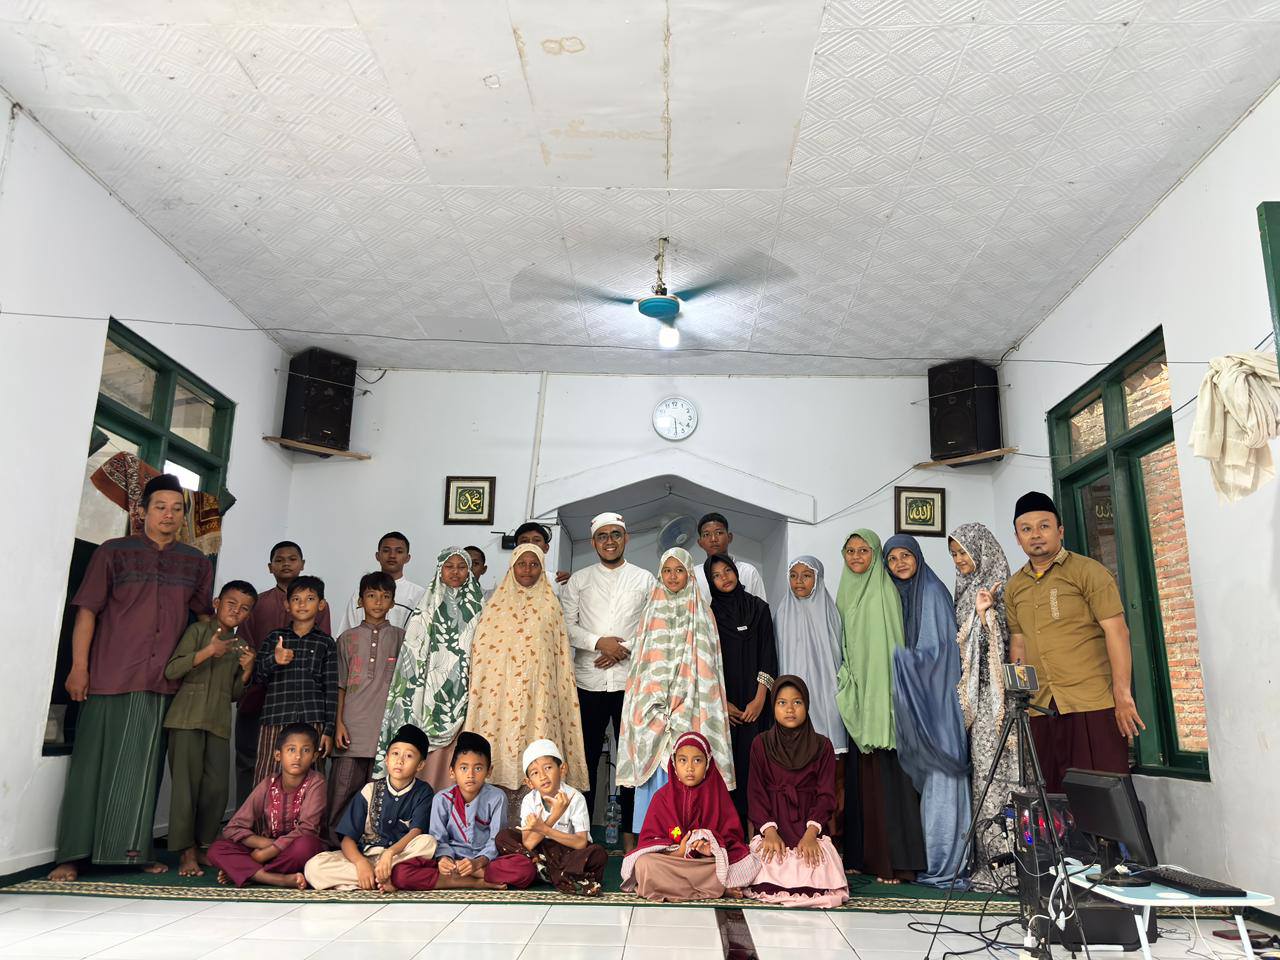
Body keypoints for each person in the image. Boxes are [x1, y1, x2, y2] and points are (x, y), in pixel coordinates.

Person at [49, 473, 213, 882]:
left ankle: (131, 853)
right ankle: (72, 855)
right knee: (90, 765)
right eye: (160, 507)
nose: (168, 515)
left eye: (176, 509)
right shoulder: (113, 552)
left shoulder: (195, 563)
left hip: (161, 680)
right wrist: (79, 667)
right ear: (142, 512)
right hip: (108, 673)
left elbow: (203, 618)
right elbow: (87, 610)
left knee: (142, 771)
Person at [1007, 492, 1142, 793]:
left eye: (1044, 526)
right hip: (1042, 707)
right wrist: (1022, 701)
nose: (1035, 535)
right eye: (1026, 529)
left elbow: (1117, 632)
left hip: (1092, 702)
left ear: (1060, 531)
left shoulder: (1088, 572)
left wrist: (1122, 696)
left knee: (1105, 797)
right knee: (1055, 798)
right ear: (1017, 538)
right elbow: (1019, 643)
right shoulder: (1014, 587)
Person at [617, 547, 734, 836]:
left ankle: (692, 837)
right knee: (654, 771)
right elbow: (642, 665)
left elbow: (708, 666)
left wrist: (684, 701)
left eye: (679, 570)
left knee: (689, 762)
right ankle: (654, 837)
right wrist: (653, 703)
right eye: (667, 571)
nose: (672, 576)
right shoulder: (650, 611)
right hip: (653, 707)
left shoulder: (702, 612)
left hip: (691, 703)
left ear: (689, 574)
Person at [560, 511, 655, 849]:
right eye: (603, 536)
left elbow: (654, 625)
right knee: (585, 760)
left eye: (616, 534)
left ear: (626, 538)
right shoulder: (579, 580)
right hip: (588, 682)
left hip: (631, 683)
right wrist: (599, 643)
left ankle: (630, 836)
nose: (610, 541)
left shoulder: (645, 579)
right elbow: (566, 626)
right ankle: (582, 834)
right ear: (594, 542)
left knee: (632, 759)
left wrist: (622, 649)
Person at [835, 529, 925, 884]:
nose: (856, 557)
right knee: (862, 782)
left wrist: (883, 701)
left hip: (883, 702)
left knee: (889, 781)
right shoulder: (846, 591)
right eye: (850, 550)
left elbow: (891, 651)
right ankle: (864, 857)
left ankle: (896, 863)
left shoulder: (883, 591)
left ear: (874, 554)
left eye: (864, 550)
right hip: (857, 698)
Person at [464, 544, 589, 797]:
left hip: (539, 695)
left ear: (542, 568)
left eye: (534, 564)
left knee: (538, 745)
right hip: (500, 698)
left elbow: (560, 657)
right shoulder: (494, 607)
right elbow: (482, 656)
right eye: (522, 563)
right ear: (512, 566)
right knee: (498, 745)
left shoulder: (551, 606)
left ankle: (539, 809)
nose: (527, 569)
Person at [884, 534, 971, 889]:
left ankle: (944, 863)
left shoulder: (931, 592)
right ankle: (931, 858)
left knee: (942, 777)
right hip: (917, 701)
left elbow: (939, 653)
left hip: (937, 702)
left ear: (918, 557)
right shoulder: (897, 595)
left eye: (906, 555)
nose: (900, 563)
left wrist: (899, 662)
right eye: (892, 559)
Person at [163, 580, 258, 877]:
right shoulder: (197, 631)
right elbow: (172, 670)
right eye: (231, 603)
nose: (236, 611)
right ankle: (186, 850)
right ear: (217, 602)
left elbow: (234, 694)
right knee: (185, 789)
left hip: (218, 722)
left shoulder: (242, 646)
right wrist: (208, 651)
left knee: (217, 789)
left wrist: (247, 671)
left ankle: (204, 844)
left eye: (244, 608)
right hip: (186, 719)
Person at [949, 522, 1020, 890]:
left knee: (1003, 779)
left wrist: (985, 616)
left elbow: (1006, 643)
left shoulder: (1001, 587)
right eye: (955, 554)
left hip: (999, 703)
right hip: (974, 703)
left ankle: (1010, 866)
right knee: (982, 780)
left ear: (981, 550)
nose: (959, 560)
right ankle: (988, 861)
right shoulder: (963, 590)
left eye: (964, 552)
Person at [376, 547, 483, 790]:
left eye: (461, 567)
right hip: (425, 692)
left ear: (469, 571)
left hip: (463, 690)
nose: (455, 572)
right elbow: (412, 651)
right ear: (439, 570)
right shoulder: (426, 605)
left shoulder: (480, 608)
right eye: (449, 566)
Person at [234, 540, 331, 805]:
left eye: (292, 559)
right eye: (279, 560)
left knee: (304, 762)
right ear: (270, 567)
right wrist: (263, 664)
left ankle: (300, 820)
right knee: (255, 758)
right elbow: (244, 644)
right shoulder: (259, 603)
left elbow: (323, 652)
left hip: (304, 699)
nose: (286, 564)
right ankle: (249, 814)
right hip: (263, 693)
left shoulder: (319, 605)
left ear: (302, 564)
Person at [745, 677, 849, 908]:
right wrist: (769, 832)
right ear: (773, 707)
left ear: (807, 705)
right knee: (767, 867)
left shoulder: (822, 746)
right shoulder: (761, 744)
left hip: (808, 826)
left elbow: (826, 796)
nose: (790, 709)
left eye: (797, 702)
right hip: (774, 825)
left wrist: (811, 834)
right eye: (782, 703)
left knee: (816, 870)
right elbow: (756, 793)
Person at [389, 732, 536, 890]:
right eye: (464, 768)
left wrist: (477, 863)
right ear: (452, 772)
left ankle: (467, 876)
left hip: (485, 862)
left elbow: (496, 839)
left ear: (489, 771)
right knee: (400, 873)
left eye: (478, 768)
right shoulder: (442, 799)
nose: (470, 775)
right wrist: (444, 859)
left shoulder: (497, 797)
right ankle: (476, 881)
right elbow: (438, 838)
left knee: (526, 870)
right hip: (452, 862)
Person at [622, 731, 759, 901]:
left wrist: (710, 847)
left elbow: (733, 838)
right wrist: (679, 852)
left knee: (747, 863)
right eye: (683, 760)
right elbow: (649, 840)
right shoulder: (662, 797)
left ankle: (691, 887)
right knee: (644, 865)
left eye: (697, 760)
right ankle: (717, 888)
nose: (690, 768)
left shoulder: (718, 795)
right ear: (674, 763)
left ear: (707, 764)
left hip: (705, 863)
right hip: (673, 861)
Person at [303, 723, 437, 892]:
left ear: (420, 765)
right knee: (313, 867)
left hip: (398, 858)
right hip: (366, 856)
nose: (400, 760)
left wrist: (389, 853)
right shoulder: (369, 790)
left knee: (428, 842)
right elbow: (347, 839)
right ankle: (381, 878)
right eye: (395, 753)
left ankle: (368, 880)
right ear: (386, 759)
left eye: (409, 756)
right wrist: (361, 863)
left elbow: (416, 832)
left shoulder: (423, 792)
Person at [327, 572, 405, 845]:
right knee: (342, 791)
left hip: (386, 732)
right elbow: (340, 686)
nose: (378, 602)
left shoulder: (402, 638)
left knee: (379, 796)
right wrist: (338, 723)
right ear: (360, 601)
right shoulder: (346, 639)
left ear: (393, 602)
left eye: (385, 596)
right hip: (351, 729)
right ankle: (334, 845)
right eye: (371, 595)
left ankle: (371, 846)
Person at [704, 554, 778, 830]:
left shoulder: (759, 608)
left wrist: (760, 699)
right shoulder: (708, 615)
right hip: (724, 706)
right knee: (727, 768)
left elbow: (768, 655)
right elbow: (707, 663)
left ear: (736, 572)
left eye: (728, 571)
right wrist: (723, 703)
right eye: (716, 575)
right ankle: (731, 835)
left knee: (757, 767)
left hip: (757, 703)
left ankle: (758, 832)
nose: (724, 578)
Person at [206, 723, 328, 888]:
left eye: (305, 750)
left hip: (295, 852)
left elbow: (308, 829)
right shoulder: (268, 784)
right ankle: (276, 878)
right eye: (291, 749)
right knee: (217, 849)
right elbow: (233, 827)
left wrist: (265, 854)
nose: (298, 756)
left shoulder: (316, 782)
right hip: (268, 850)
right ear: (278, 755)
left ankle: (246, 872)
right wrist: (265, 844)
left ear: (314, 756)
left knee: (306, 846)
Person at [493, 739, 608, 896]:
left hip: (568, 853)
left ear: (562, 769)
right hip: (539, 851)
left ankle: (544, 870)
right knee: (503, 837)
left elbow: (581, 843)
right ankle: (561, 876)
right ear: (529, 782)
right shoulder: (529, 800)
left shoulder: (575, 798)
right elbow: (528, 843)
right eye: (535, 773)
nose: (542, 776)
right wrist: (554, 817)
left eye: (548, 768)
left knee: (598, 854)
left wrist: (544, 829)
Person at [251, 576, 337, 784]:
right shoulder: (275, 638)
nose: (302, 604)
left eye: (310, 599)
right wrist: (274, 659)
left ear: (321, 605)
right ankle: (265, 808)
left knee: (311, 778)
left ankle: (308, 809)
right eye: (296, 599)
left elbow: (331, 689)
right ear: (287, 605)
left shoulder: (326, 643)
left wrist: (328, 730)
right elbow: (257, 676)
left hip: (313, 719)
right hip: (275, 717)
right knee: (267, 775)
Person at [774, 556, 848, 756]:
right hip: (793, 682)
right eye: (793, 576)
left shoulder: (829, 611)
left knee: (827, 741)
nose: (798, 581)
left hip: (825, 684)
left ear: (818, 578)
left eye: (806, 576)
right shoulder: (782, 612)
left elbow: (836, 653)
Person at [333, 532, 426, 635]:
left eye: (399, 551)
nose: (392, 555)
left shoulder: (419, 595)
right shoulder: (362, 591)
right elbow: (346, 633)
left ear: (407, 558)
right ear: (377, 556)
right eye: (386, 551)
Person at [694, 513, 768, 600]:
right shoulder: (693, 575)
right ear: (700, 543)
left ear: (729, 537)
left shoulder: (748, 572)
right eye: (706, 535)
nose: (713, 539)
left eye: (719, 533)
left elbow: (761, 606)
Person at [513, 521, 571, 586]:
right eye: (524, 541)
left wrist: (573, 583)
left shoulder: (558, 582)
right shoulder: (506, 582)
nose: (530, 544)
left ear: (546, 548)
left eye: (537, 540)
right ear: (516, 549)